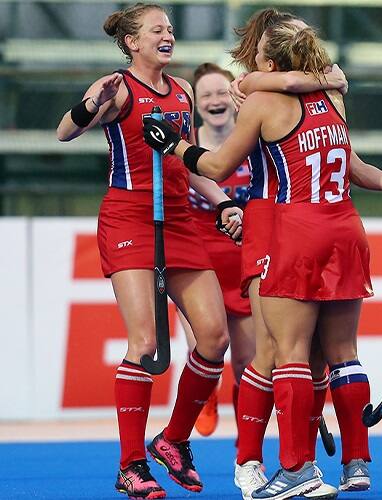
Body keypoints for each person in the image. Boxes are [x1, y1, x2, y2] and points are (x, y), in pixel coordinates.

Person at [142, 19, 382, 500]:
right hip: (344, 227)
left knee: (282, 354)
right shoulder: (332, 95)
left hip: (290, 229)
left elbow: (216, 166)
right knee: (339, 354)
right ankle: (354, 462)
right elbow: (351, 163)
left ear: (268, 60)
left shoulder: (261, 98)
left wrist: (173, 144)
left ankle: (295, 468)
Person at [56, 3, 241, 499]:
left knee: (214, 337)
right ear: (132, 42)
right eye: (157, 29)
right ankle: (130, 464)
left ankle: (173, 440)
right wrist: (92, 105)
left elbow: (190, 164)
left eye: (170, 28)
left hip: (179, 219)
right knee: (144, 343)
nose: (167, 35)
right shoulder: (117, 88)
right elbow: (64, 131)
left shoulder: (181, 91)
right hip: (130, 218)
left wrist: (223, 202)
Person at [177, 62, 255, 438]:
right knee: (204, 349)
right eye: (205, 95)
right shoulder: (185, 146)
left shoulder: (254, 139)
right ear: (195, 104)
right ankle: (206, 391)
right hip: (197, 260)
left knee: (247, 364)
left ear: (235, 97)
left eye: (221, 92)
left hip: (244, 260)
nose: (214, 100)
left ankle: (247, 448)